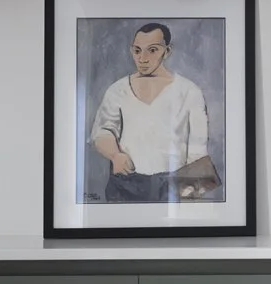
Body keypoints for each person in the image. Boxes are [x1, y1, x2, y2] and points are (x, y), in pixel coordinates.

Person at [91, 22, 215, 203]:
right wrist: (115, 155)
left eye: (152, 50)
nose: (143, 58)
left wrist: (190, 201)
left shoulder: (189, 91)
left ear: (167, 51)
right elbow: (102, 131)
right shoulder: (117, 90)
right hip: (125, 185)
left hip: (173, 185)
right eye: (137, 50)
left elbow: (198, 149)